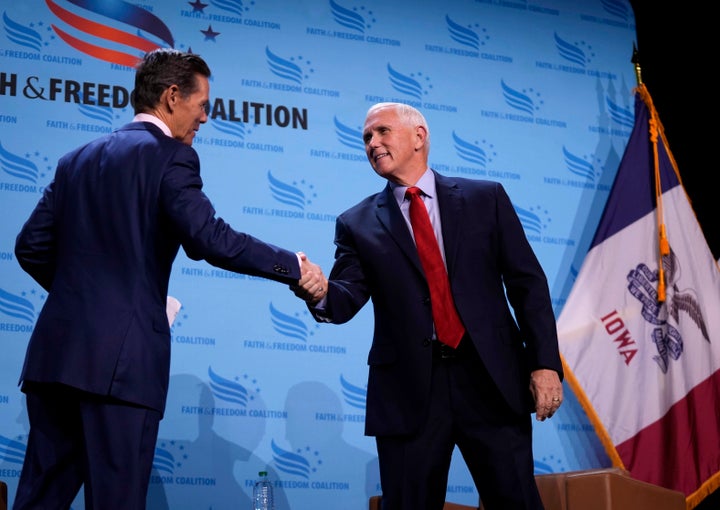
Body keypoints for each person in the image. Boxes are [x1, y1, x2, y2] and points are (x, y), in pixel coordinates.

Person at [12, 48, 326, 510]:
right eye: (203, 107)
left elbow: (30, 248)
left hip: (55, 359)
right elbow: (210, 238)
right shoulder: (170, 157)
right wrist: (294, 267)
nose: (204, 119)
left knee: (39, 501)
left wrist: (92, 295)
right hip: (120, 368)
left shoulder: (74, 159)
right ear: (172, 96)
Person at [293, 102, 564, 510]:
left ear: (419, 136)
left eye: (382, 131)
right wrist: (319, 292)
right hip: (408, 390)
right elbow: (345, 298)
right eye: (366, 137)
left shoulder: (484, 199)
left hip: (490, 379)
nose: (372, 143)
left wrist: (544, 364)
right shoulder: (357, 222)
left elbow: (528, 284)